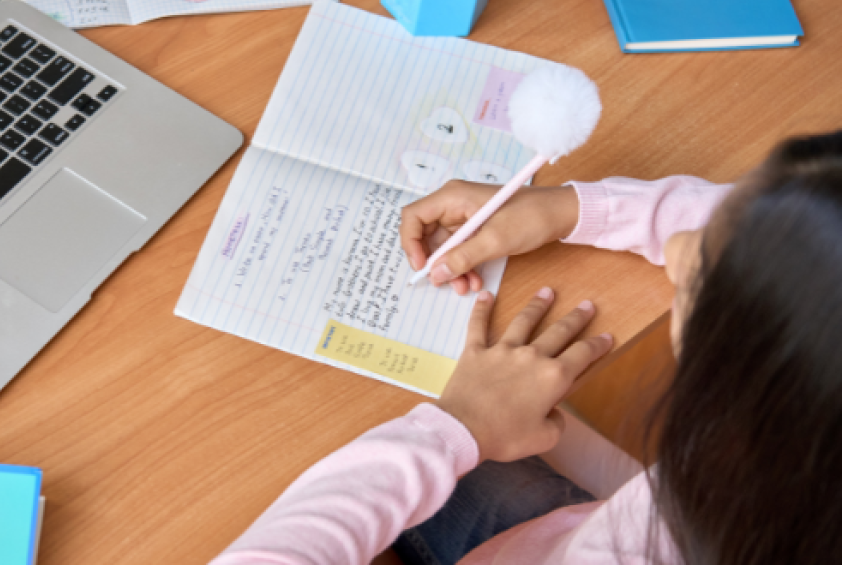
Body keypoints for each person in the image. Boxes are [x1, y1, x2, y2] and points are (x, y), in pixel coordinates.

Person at [211, 131, 842, 564]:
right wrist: (569, 209)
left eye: (698, 274)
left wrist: (455, 429)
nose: (680, 249)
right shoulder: (800, 463)